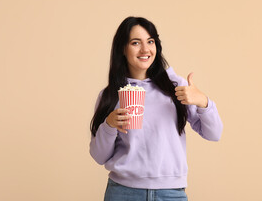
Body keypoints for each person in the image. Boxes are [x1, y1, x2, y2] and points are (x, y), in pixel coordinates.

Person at [89, 16, 223, 201]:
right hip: (123, 192)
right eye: (136, 42)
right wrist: (109, 125)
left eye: (150, 41)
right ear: (122, 48)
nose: (145, 49)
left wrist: (203, 102)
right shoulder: (111, 95)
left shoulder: (176, 86)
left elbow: (214, 134)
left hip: (171, 193)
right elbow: (98, 156)